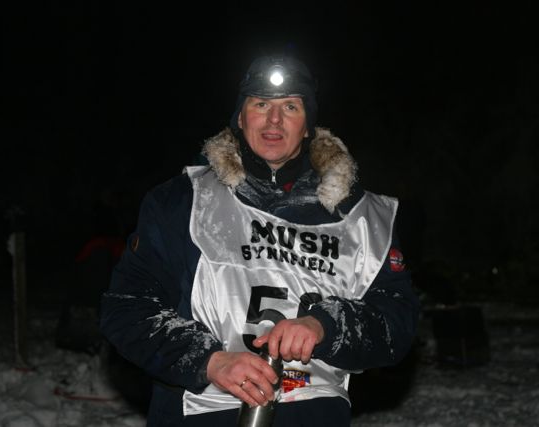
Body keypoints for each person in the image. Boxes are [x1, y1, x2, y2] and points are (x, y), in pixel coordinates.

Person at [100, 53, 419, 426]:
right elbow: (127, 308)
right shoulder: (181, 202)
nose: (274, 119)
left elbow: (397, 320)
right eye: (261, 104)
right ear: (240, 117)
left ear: (308, 125)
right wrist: (209, 360)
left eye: (291, 106)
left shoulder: (361, 217)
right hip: (198, 413)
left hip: (313, 413)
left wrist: (326, 325)